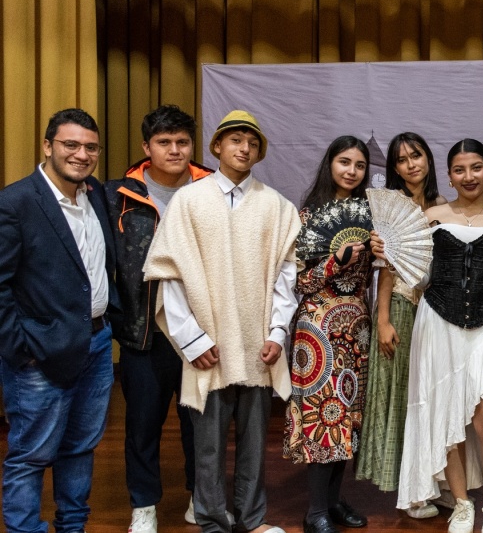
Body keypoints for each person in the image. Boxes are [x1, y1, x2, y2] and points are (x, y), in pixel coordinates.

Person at [143, 110, 301, 533]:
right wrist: (192, 341)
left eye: (251, 141)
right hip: (208, 343)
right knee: (208, 443)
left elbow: (288, 278)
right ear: (216, 147)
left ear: (260, 151)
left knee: (254, 442)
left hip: (257, 343)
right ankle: (212, 519)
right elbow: (171, 275)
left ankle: (252, 518)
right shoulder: (188, 201)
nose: (243, 148)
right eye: (234, 140)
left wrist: (278, 333)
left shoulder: (278, 206)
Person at [396, 139, 483, 533]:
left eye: (476, 168)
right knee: (443, 415)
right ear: (450, 175)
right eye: (459, 169)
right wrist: (395, 255)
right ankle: (460, 504)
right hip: (437, 324)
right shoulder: (432, 215)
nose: (468, 177)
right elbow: (421, 278)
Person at [0, 108, 121, 533]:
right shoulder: (15, 202)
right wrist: (21, 350)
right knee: (31, 455)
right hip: (40, 352)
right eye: (70, 144)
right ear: (48, 146)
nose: (81, 154)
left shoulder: (96, 196)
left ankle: (72, 527)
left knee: (80, 448)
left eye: (90, 147)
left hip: (97, 344)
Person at [105, 105, 212, 533]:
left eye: (182, 142)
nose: (174, 150)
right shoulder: (117, 195)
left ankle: (198, 496)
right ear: (146, 147)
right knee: (142, 426)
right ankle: (143, 505)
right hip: (143, 334)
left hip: (204, 333)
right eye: (164, 142)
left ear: (193, 145)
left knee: (201, 426)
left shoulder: (213, 191)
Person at [285, 136, 386, 533]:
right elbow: (299, 282)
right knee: (322, 416)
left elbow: (379, 275)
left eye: (359, 165)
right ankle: (314, 512)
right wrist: (335, 261)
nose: (351, 171)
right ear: (330, 164)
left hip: (356, 326)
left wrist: (382, 251)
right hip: (318, 327)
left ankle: (333, 500)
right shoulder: (308, 217)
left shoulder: (371, 214)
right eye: (344, 162)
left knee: (347, 417)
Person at [355, 132, 451, 518]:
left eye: (417, 155)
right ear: (394, 169)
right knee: (402, 397)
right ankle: (410, 491)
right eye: (401, 160)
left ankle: (436, 480)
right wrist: (382, 321)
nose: (411, 164)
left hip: (438, 310)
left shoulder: (445, 205)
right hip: (400, 307)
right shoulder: (391, 208)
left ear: (428, 158)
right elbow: (386, 271)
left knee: (435, 397)